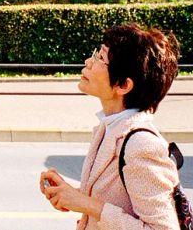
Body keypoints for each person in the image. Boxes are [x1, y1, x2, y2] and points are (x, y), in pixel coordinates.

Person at [39, 23, 182, 230]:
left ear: (123, 85)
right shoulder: (110, 127)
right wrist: (70, 194)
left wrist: (87, 204)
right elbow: (120, 200)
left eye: (101, 58)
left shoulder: (141, 145)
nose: (89, 61)